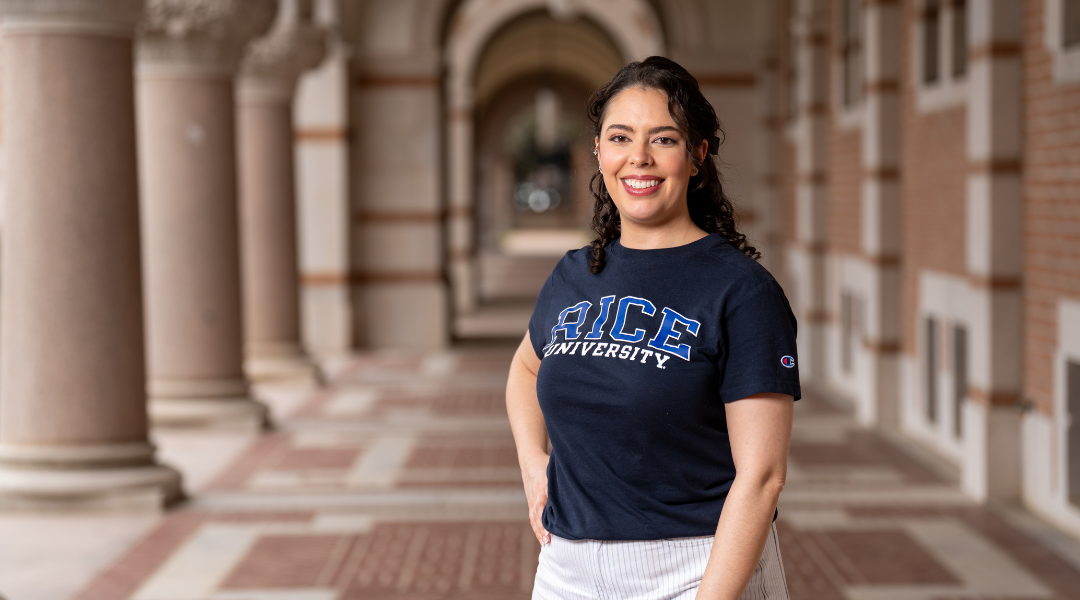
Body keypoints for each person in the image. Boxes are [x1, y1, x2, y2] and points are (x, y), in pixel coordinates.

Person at [505, 56, 800, 600]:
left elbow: (762, 478)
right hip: (566, 569)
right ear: (598, 150)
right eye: (620, 137)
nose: (638, 158)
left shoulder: (742, 292)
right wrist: (532, 463)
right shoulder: (574, 274)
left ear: (697, 155)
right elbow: (526, 368)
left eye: (663, 139)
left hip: (697, 566)